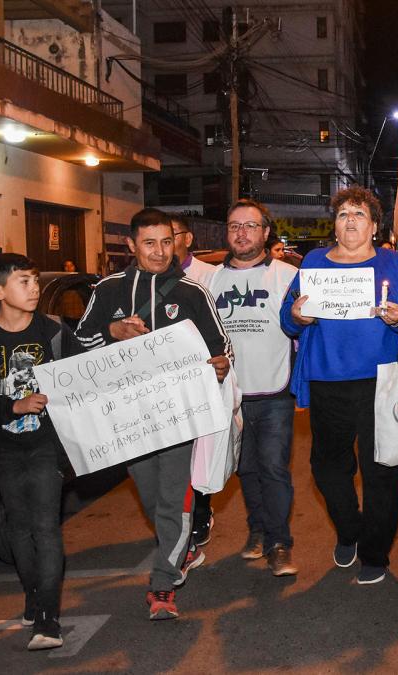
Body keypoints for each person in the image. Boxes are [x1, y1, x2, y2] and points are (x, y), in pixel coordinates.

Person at [75, 208, 233, 619]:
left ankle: (163, 585)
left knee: (174, 500)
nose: (160, 251)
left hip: (180, 417)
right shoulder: (108, 289)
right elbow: (76, 348)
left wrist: (221, 364)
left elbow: (222, 348)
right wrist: (111, 332)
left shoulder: (192, 293)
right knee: (151, 497)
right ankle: (177, 545)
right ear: (131, 245)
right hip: (129, 421)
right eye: (149, 243)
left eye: (167, 241)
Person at [280, 186, 398, 585]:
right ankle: (350, 529)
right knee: (328, 469)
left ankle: (374, 552)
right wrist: (297, 315)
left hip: (382, 382)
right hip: (327, 380)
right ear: (334, 224)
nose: (350, 220)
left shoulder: (392, 264)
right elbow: (286, 316)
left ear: (374, 225)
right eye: (344, 214)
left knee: (382, 469)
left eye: (359, 214)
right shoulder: (313, 261)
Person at [0, 253, 81, 650]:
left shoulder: (55, 331)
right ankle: (34, 593)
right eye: (24, 282)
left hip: (48, 446)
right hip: (5, 448)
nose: (34, 289)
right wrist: (13, 405)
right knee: (18, 528)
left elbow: (87, 376)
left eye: (35, 280)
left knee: (45, 526)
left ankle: (47, 618)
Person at [206, 199, 300, 576]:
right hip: (229, 394)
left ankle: (280, 543)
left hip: (275, 390)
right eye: (234, 226)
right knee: (245, 470)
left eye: (250, 225)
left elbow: (302, 328)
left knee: (274, 468)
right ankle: (257, 531)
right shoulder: (210, 280)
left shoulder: (288, 275)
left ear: (265, 232)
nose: (241, 232)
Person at [170, 213, 217, 548]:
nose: (163, 244)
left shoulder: (209, 276)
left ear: (187, 238)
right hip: (162, 389)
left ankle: (200, 516)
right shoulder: (140, 283)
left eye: (170, 235)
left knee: (199, 456)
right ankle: (174, 525)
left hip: (201, 382)